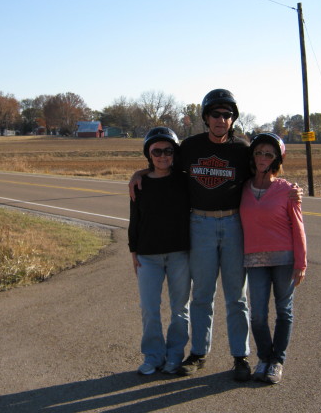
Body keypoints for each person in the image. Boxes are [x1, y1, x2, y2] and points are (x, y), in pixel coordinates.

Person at [130, 89, 302, 381]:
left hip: (234, 224)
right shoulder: (190, 147)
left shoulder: (242, 149)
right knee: (202, 295)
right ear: (206, 118)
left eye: (227, 114)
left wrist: (291, 190)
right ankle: (198, 353)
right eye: (215, 114)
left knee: (237, 296)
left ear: (233, 118)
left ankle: (240, 356)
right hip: (200, 224)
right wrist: (140, 173)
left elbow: (265, 171)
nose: (221, 119)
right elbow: (163, 162)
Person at [239, 132, 307, 384]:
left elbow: (298, 228)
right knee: (257, 314)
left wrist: (301, 263)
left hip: (284, 260)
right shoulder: (243, 188)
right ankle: (264, 357)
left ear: (277, 159)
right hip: (254, 260)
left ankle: (277, 361)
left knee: (283, 311)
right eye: (258, 152)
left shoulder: (288, 191)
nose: (262, 158)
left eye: (268, 154)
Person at [128, 127, 191, 375]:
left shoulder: (185, 181)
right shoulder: (140, 184)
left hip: (179, 254)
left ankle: (175, 355)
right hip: (148, 256)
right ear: (149, 154)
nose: (163, 156)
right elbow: (135, 220)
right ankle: (153, 356)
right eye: (157, 151)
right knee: (149, 308)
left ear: (174, 153)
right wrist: (134, 251)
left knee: (179, 309)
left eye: (168, 150)